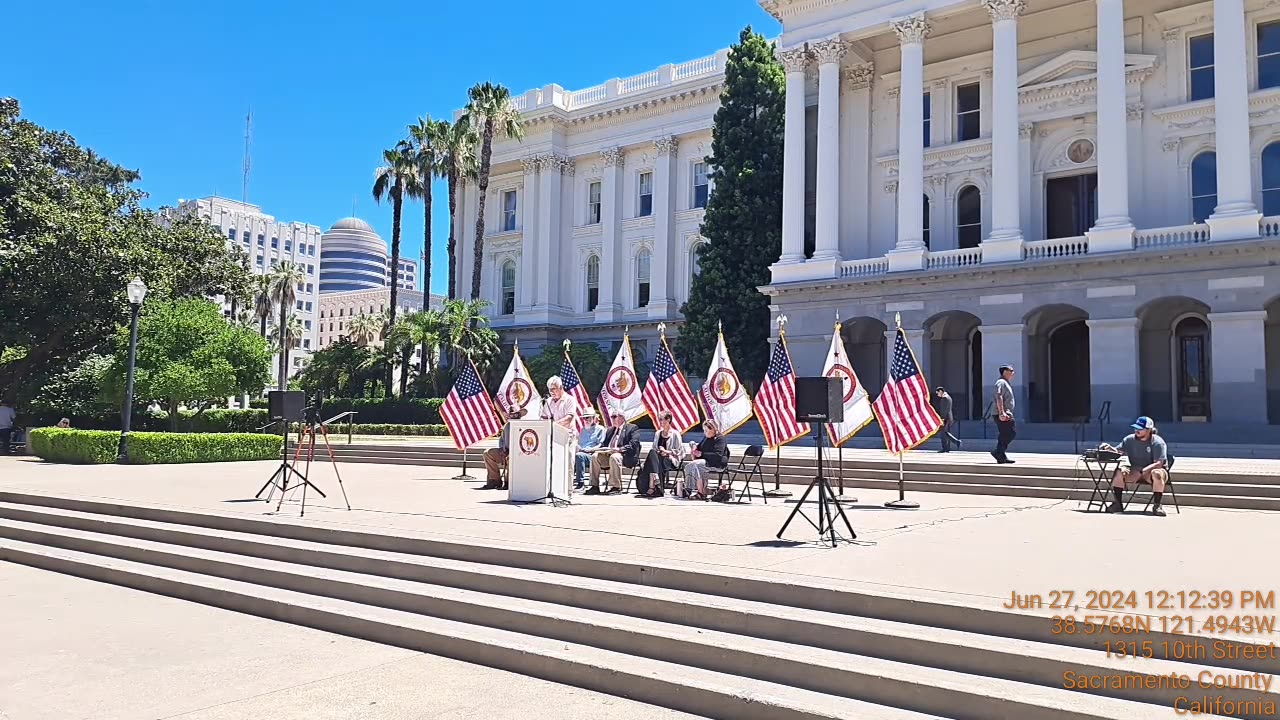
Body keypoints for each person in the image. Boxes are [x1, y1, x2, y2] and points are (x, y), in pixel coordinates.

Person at [1101, 416, 1170, 516]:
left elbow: (1159, 463)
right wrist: (1109, 448)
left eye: (1140, 429)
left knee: (1157, 474)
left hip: (1154, 470)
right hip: (1135, 469)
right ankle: (1118, 504)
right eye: (1136, 428)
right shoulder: (1129, 439)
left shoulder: (1158, 442)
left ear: (1149, 430)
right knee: (1119, 471)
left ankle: (1157, 505)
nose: (1137, 430)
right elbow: (1119, 451)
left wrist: (1144, 470)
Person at [586, 411, 640, 495]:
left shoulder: (632, 428)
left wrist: (619, 449)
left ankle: (616, 487)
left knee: (615, 456)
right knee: (595, 456)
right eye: (611, 417)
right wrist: (597, 450)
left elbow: (633, 444)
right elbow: (604, 445)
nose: (612, 419)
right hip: (608, 454)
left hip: (625, 456)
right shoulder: (610, 430)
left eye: (614, 417)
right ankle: (594, 486)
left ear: (622, 417)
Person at [637, 411, 684, 497]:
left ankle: (652, 485)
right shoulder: (658, 433)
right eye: (659, 419)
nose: (660, 422)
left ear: (668, 420)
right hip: (659, 458)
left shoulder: (675, 434)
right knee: (652, 453)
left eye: (661, 419)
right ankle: (655, 478)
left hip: (670, 459)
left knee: (653, 461)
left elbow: (680, 451)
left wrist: (666, 452)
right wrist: (660, 451)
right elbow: (654, 448)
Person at [482, 405, 527, 490]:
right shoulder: (507, 426)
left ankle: (508, 482)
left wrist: (511, 452)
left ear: (519, 415)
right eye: (511, 414)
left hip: (517, 454)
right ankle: (495, 480)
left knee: (510, 458)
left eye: (515, 414)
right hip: (505, 451)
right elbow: (502, 440)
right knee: (487, 453)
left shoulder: (523, 426)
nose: (513, 416)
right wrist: (502, 449)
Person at [682, 419, 729, 500]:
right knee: (689, 466)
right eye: (704, 430)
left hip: (717, 463)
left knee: (697, 465)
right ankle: (689, 488)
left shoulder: (720, 439)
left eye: (706, 430)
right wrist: (694, 448)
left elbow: (718, 455)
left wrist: (702, 454)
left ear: (713, 429)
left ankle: (701, 492)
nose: (705, 432)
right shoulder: (706, 438)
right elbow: (699, 447)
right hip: (706, 462)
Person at [573, 408, 605, 489]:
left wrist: (590, 450)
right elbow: (579, 443)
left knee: (579, 456)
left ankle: (580, 482)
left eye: (588, 417)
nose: (586, 420)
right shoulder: (583, 429)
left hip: (594, 455)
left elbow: (601, 445)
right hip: (582, 453)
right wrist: (578, 447)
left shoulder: (600, 429)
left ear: (594, 418)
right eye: (584, 418)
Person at [991, 365, 1016, 464]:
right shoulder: (1001, 382)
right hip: (1001, 413)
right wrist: (1002, 412)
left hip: (1006, 413)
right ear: (1005, 372)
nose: (1013, 373)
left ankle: (1001, 454)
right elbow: (999, 396)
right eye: (1011, 370)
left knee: (1006, 433)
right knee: (1009, 433)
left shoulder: (1006, 383)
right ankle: (998, 452)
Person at [934, 387, 961, 453]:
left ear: (940, 391)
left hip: (946, 418)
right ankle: (949, 446)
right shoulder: (948, 397)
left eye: (938, 393)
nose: (938, 395)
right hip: (949, 417)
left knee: (943, 434)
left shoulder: (944, 398)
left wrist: (942, 418)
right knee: (945, 433)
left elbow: (944, 410)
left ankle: (951, 444)